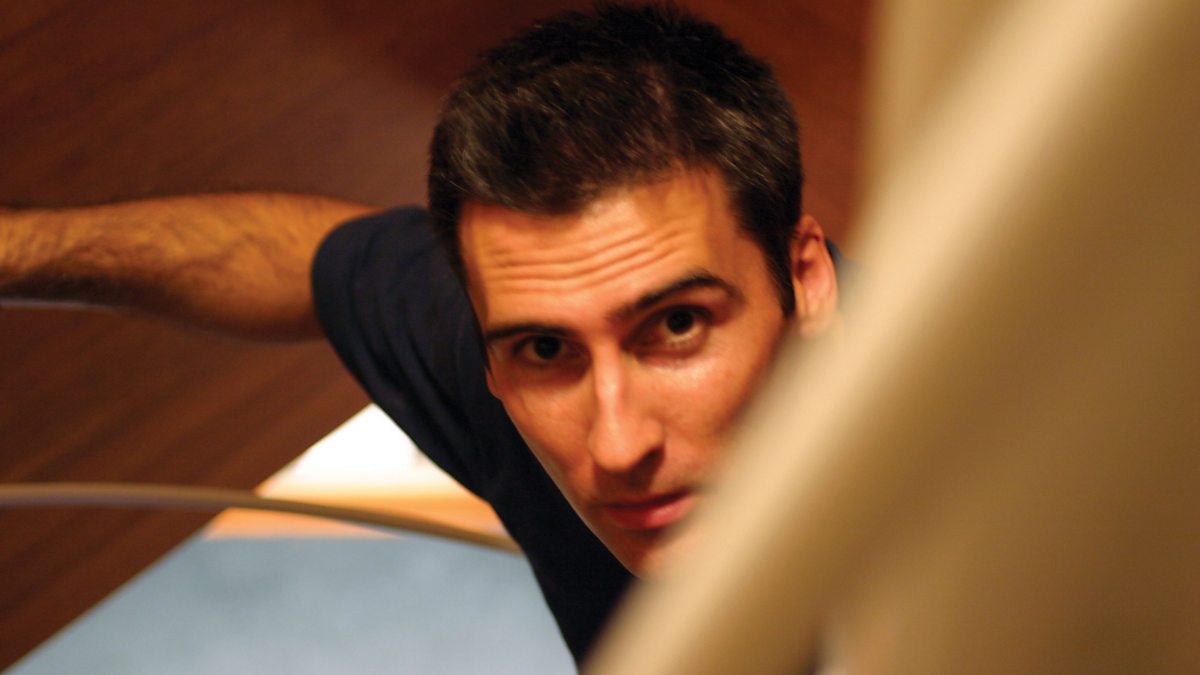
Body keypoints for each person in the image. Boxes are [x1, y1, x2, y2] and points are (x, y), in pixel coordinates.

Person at [0, 2, 843, 662]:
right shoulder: (505, 357)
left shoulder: (926, 553)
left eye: (677, 325)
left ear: (805, 282)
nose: (617, 446)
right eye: (546, 348)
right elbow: (308, 260)